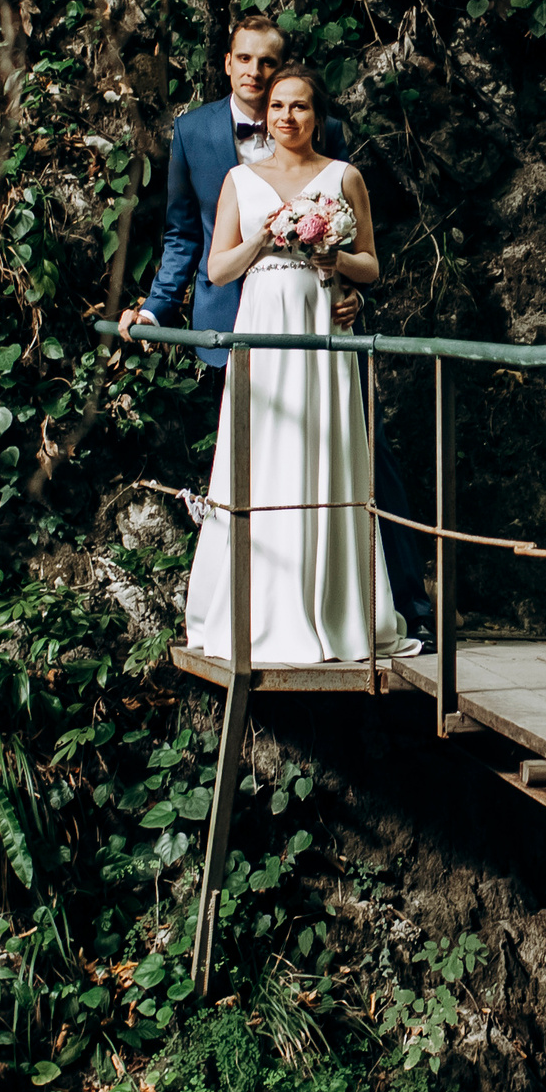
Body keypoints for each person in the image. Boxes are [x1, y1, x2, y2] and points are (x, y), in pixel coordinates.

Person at [117, 11, 436, 637]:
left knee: (356, 460)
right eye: (246, 60)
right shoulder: (195, 132)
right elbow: (184, 236)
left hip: (319, 321)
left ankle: (390, 607)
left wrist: (349, 294)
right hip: (235, 327)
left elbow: (343, 226)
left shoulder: (330, 139)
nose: (256, 73)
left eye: (269, 62)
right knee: (254, 464)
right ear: (227, 62)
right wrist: (154, 308)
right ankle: (259, 607)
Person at [178, 65, 415, 663]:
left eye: (301, 107)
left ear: (318, 115)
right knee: (262, 451)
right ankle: (259, 607)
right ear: (266, 115)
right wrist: (263, 237)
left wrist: (333, 256)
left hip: (322, 323)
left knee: (327, 447)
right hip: (263, 326)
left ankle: (336, 606)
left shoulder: (344, 177)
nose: (287, 116)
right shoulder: (240, 179)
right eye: (278, 106)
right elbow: (218, 269)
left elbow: (371, 265)